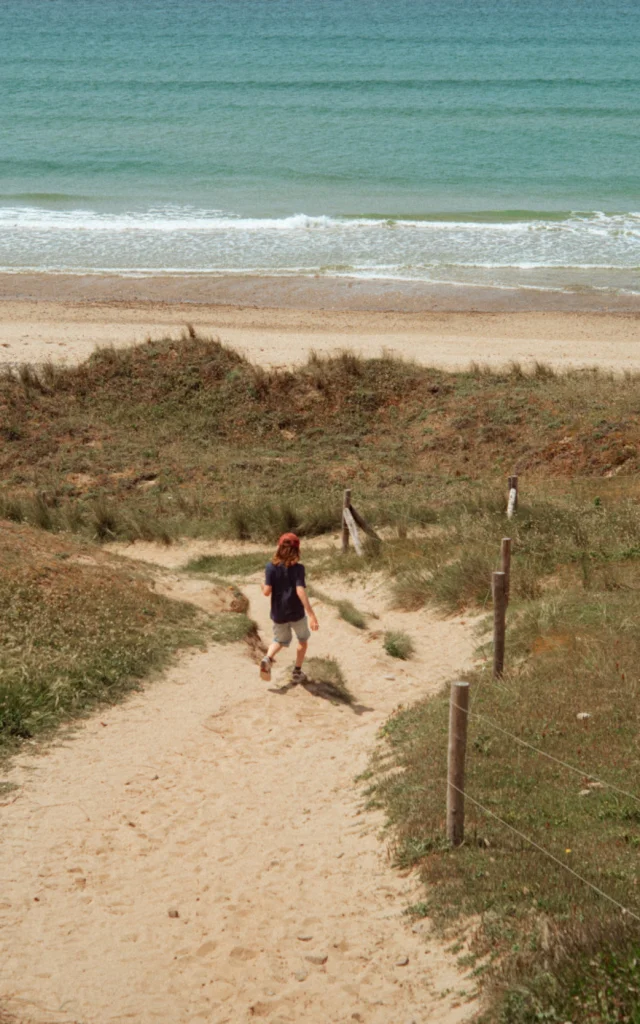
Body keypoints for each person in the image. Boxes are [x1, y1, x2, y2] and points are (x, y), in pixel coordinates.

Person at [260, 532, 319, 683]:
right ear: (297, 550)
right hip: (296, 614)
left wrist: (262, 586)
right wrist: (311, 615)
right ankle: (297, 672)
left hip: (279, 614)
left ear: (279, 547)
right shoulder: (299, 569)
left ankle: (268, 658)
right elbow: (300, 591)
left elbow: (266, 592)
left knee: (279, 640)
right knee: (302, 640)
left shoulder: (270, 567)